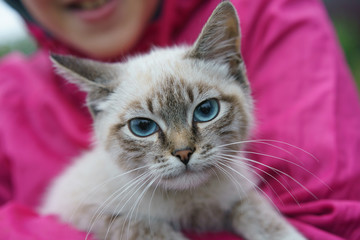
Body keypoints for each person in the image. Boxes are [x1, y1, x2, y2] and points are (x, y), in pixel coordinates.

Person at [0, 0, 359, 239]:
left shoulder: (272, 11)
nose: (182, 149)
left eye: (205, 111)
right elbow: (78, 208)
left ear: (235, 75)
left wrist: (251, 213)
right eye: (143, 126)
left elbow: (333, 216)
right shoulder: (10, 91)